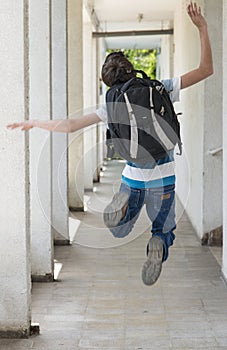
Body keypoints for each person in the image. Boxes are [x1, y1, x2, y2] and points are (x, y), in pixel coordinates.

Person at [7, 2, 213, 286]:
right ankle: (157, 242)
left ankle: (124, 205)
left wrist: (35, 122)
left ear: (108, 81)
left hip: (132, 177)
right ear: (132, 71)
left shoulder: (110, 104)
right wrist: (202, 28)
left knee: (120, 229)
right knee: (163, 229)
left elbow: (68, 127)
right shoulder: (159, 87)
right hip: (164, 178)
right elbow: (205, 70)